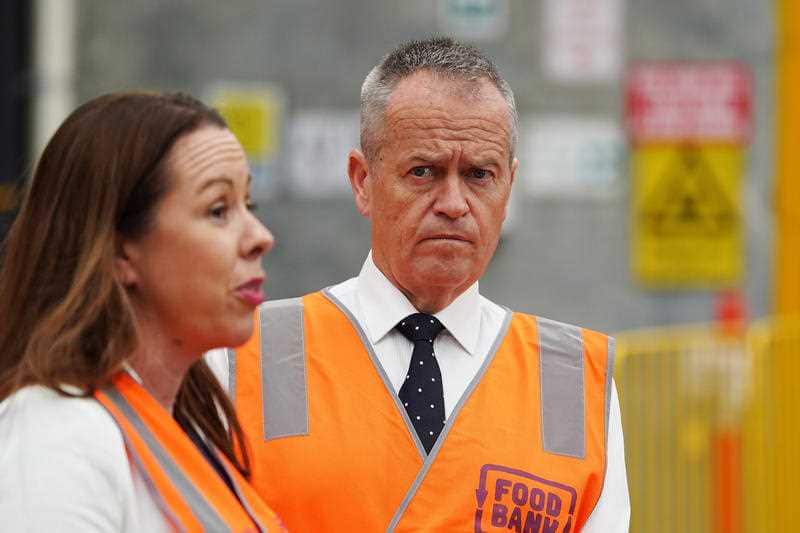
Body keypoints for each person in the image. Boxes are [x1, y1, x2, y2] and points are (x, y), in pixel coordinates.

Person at [217, 37, 629, 532]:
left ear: (509, 188)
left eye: (479, 174)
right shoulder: (243, 356)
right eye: (423, 172)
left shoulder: (573, 382)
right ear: (362, 180)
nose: (453, 203)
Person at [0, 92, 286, 531]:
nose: (260, 237)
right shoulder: (58, 433)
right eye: (217, 210)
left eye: (250, 206)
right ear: (119, 251)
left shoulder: (190, 427)